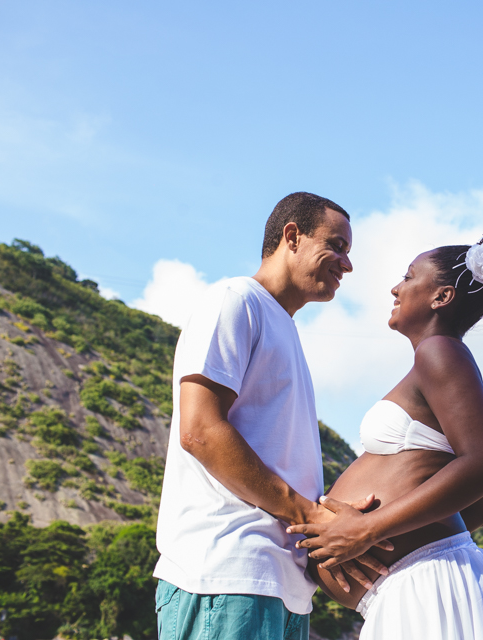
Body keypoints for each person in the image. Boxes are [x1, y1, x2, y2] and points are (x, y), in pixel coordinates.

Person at [289, 230, 483, 639]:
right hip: (420, 588)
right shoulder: (438, 362)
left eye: (409, 277)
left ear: (441, 297)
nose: (396, 287)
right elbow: (474, 511)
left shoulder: (439, 351)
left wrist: (366, 530)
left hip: (430, 588)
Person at [153, 192, 386, 640]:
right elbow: (199, 430)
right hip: (228, 576)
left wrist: (329, 511)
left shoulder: (285, 328)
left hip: (284, 587)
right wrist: (311, 515)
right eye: (336, 246)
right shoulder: (235, 300)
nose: (347, 264)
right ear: (292, 237)